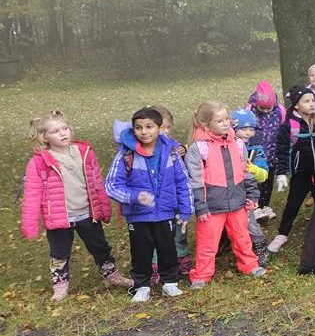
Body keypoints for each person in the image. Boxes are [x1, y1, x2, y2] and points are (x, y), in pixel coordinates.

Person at [22, 110, 131, 301]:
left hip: (86, 213)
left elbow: (97, 182)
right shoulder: (40, 162)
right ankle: (60, 284)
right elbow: (32, 194)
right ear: (44, 137)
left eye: (65, 128)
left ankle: (111, 275)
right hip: (59, 217)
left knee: (100, 246)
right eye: (56, 131)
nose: (63, 133)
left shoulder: (84, 153)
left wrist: (103, 207)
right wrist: (30, 225)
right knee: (60, 252)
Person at [105, 107, 193, 301]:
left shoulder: (170, 152)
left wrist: (186, 210)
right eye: (138, 127)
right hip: (139, 216)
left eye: (149, 127)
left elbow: (182, 181)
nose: (144, 132)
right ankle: (141, 285)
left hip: (165, 213)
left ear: (160, 128)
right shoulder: (126, 154)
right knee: (141, 251)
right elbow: (111, 185)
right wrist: (135, 197)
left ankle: (170, 282)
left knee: (167, 249)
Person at [184, 101, 264, 288]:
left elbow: (245, 171)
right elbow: (195, 180)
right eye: (219, 121)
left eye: (227, 119)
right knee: (207, 243)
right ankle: (201, 275)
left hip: (237, 202)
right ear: (206, 125)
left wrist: (252, 196)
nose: (225, 123)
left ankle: (249, 265)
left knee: (242, 237)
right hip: (211, 206)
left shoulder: (237, 143)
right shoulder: (199, 148)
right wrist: (200, 206)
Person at [267, 86, 315, 254]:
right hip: (300, 174)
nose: (311, 104)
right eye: (306, 101)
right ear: (296, 105)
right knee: (293, 204)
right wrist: (282, 173)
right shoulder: (288, 126)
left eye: (313, 100)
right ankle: (282, 234)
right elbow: (282, 151)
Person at [231, 109, 271, 267]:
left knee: (250, 222)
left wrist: (253, 169)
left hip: (246, 193)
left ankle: (260, 247)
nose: (248, 132)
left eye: (251, 129)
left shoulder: (255, 149)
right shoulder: (226, 145)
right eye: (243, 128)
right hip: (227, 192)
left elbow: (264, 174)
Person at [246, 80, 286, 219]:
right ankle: (255, 206)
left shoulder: (280, 111)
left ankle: (264, 206)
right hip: (257, 153)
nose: (265, 111)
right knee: (256, 182)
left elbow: (282, 128)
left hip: (273, 152)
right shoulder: (250, 111)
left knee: (268, 182)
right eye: (262, 108)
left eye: (268, 108)